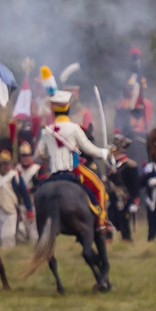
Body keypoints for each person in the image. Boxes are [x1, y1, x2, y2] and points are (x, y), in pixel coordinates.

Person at [40, 89, 111, 231]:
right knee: (100, 188)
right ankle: (101, 224)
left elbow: (41, 154)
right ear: (67, 108)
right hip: (73, 170)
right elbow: (89, 150)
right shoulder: (74, 128)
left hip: (53, 172)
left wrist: (52, 156)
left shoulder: (46, 131)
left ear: (53, 111)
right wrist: (105, 152)